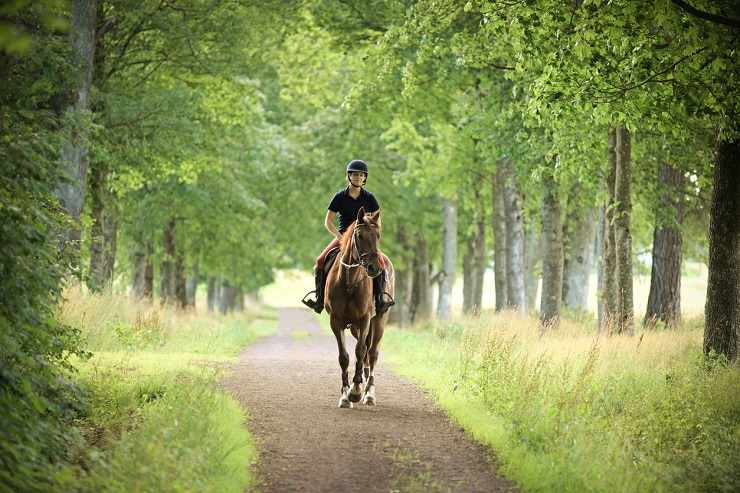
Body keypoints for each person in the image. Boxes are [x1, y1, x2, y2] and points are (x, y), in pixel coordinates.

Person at [302, 159, 394, 315]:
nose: (358, 177)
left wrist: (372, 236)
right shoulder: (339, 197)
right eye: (354, 174)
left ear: (365, 178)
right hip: (343, 236)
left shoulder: (370, 198)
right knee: (319, 261)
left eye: (361, 175)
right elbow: (328, 221)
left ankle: (380, 299)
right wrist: (339, 237)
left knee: (382, 263)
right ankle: (319, 299)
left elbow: (377, 222)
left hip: (363, 239)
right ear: (349, 176)